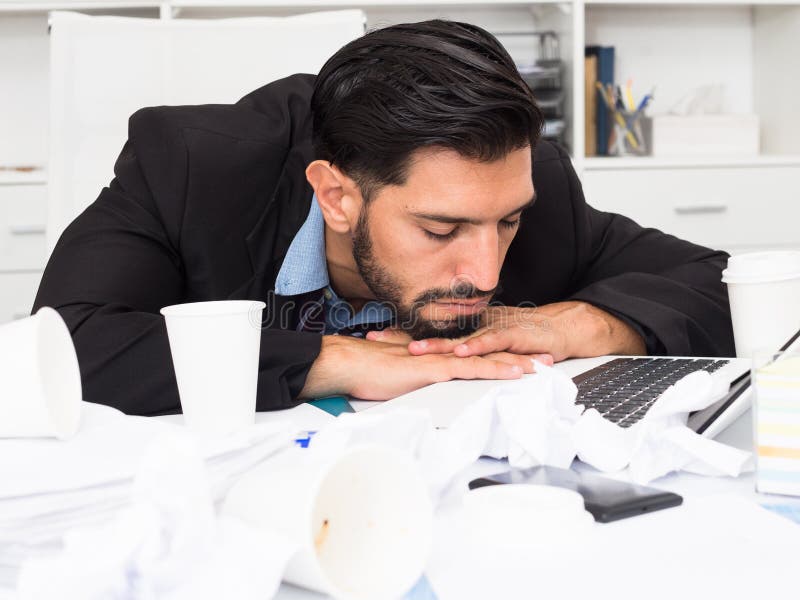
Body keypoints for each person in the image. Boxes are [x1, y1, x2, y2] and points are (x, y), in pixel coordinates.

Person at [33, 20, 735, 416]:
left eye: (508, 224)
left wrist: (575, 322)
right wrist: (333, 359)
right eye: (440, 230)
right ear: (336, 197)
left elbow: (718, 281)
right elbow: (58, 346)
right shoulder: (190, 169)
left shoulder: (526, 184)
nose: (486, 272)